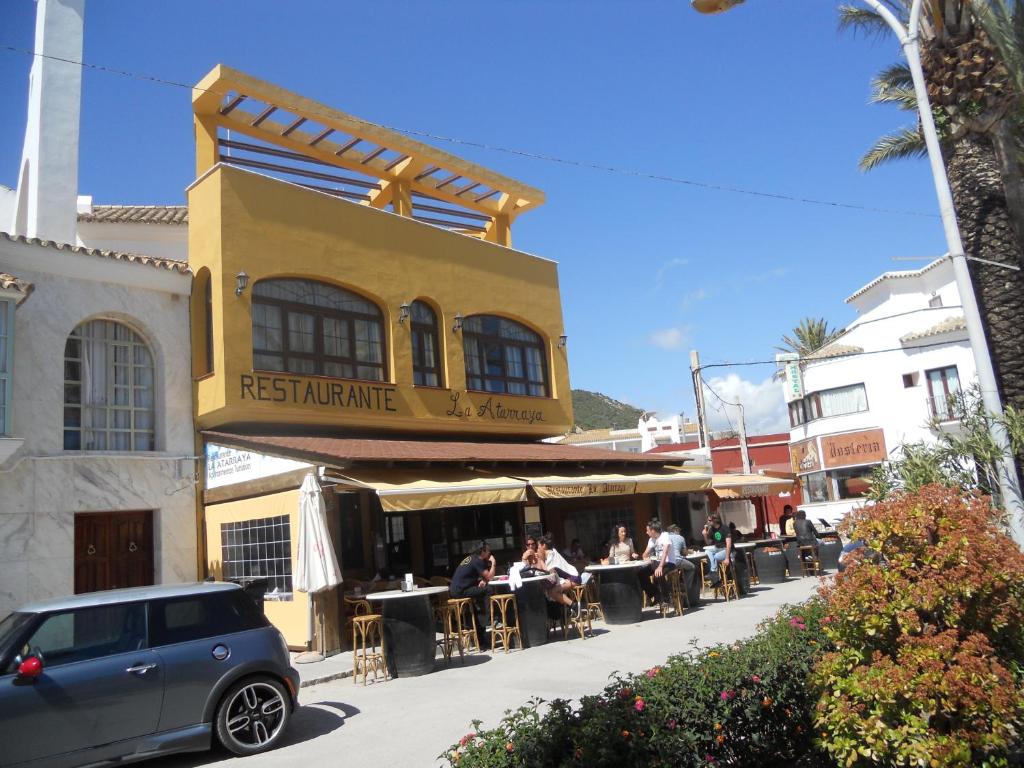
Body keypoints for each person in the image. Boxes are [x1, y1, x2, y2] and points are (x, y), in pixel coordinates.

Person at [450, 541, 496, 647]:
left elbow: (471, 575)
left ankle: (481, 642)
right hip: (461, 591)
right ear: (483, 551)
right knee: (488, 590)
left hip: (456, 589)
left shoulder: (471, 558)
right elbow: (490, 576)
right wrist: (493, 563)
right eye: (488, 550)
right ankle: (489, 621)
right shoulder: (478, 560)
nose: (489, 553)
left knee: (475, 610)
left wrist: (482, 580)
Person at [640, 519, 678, 608]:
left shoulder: (665, 536)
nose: (646, 532)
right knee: (641, 573)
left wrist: (660, 566)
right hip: (657, 563)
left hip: (669, 562)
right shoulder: (651, 540)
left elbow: (665, 552)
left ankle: (666, 598)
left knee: (658, 574)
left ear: (653, 531)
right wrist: (645, 557)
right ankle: (655, 594)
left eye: (648, 531)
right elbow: (645, 553)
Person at [536, 534, 579, 608]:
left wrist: (540, 560)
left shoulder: (551, 557)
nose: (538, 549)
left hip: (574, 578)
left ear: (544, 546)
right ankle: (567, 608)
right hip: (569, 577)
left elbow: (549, 575)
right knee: (549, 591)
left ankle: (574, 606)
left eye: (539, 547)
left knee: (552, 592)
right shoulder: (552, 552)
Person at [702, 513, 733, 587]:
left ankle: (714, 575)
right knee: (707, 551)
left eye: (709, 520)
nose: (708, 522)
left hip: (726, 549)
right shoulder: (712, 529)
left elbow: (728, 543)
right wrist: (705, 535)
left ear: (715, 520)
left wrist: (727, 558)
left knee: (715, 557)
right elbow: (709, 543)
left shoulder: (724, 528)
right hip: (717, 548)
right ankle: (714, 572)